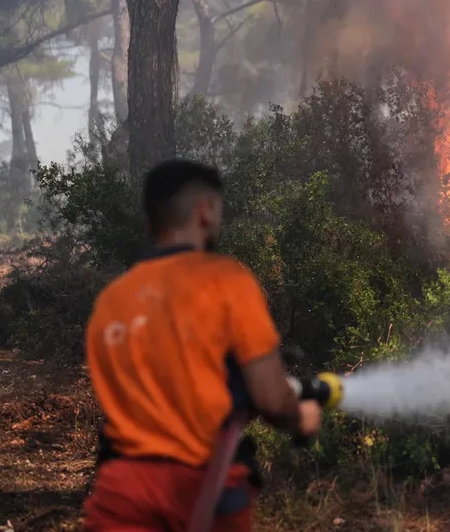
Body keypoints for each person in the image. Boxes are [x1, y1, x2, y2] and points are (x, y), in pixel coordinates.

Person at [82, 159, 321, 531]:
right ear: (205, 210)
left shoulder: (111, 301)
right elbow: (273, 399)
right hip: (203, 494)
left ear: (150, 221)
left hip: (119, 494)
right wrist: (300, 417)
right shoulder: (226, 282)